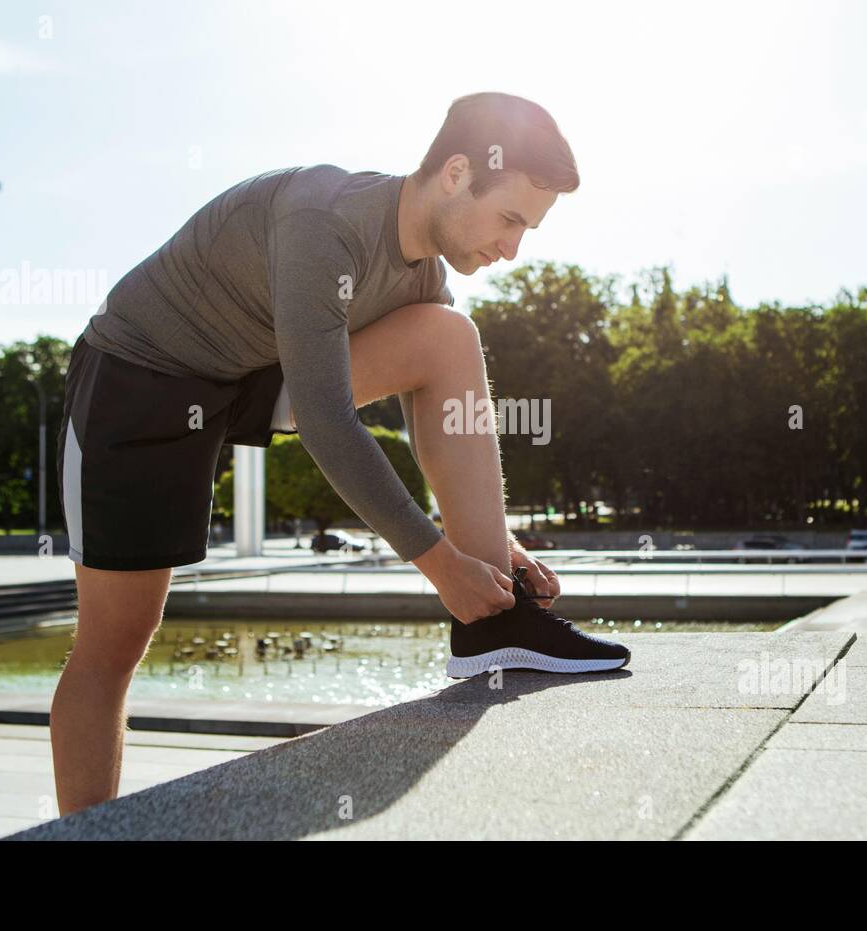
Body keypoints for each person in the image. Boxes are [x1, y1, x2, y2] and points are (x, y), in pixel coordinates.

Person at [51, 91, 628, 816]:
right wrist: (437, 563)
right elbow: (326, 422)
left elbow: (428, 417)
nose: (512, 248)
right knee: (116, 642)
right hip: (140, 380)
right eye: (510, 218)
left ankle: (495, 621)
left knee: (447, 337)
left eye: (528, 230)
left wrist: (490, 547)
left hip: (255, 374)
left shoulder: (424, 275)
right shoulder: (322, 225)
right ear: (455, 173)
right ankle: (78, 836)